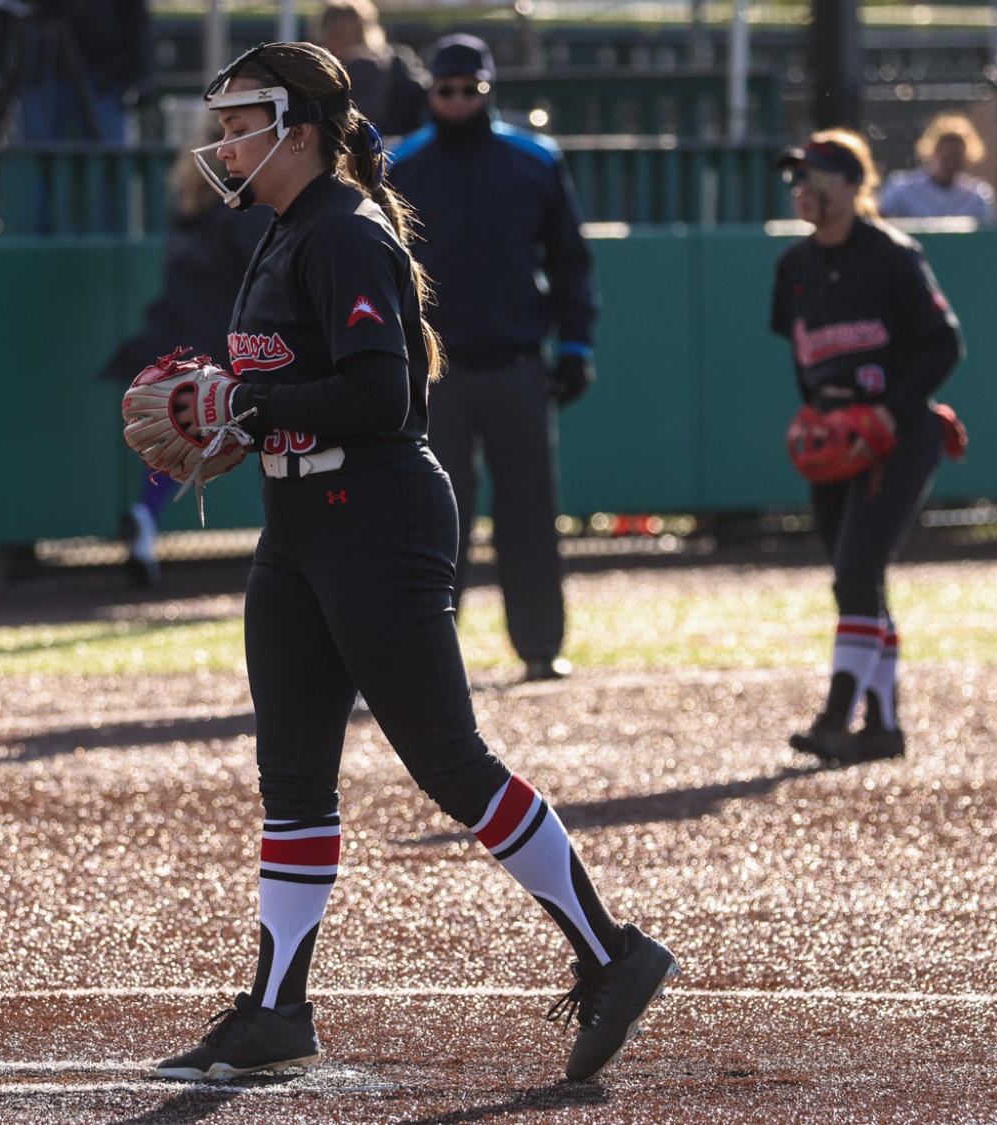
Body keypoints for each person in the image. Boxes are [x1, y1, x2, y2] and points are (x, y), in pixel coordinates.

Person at [148, 41, 676, 1084]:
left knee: (448, 761)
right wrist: (228, 414)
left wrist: (244, 405)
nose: (222, 142)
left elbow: (380, 394)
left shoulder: (343, 229)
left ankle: (612, 954)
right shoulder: (284, 230)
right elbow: (292, 387)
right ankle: (275, 1009)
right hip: (298, 523)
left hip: (372, 514)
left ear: (297, 128)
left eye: (238, 120)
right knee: (290, 778)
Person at [386, 34, 598, 684]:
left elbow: (569, 260)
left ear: (489, 88)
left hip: (515, 365)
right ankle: (428, 652)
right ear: (430, 92)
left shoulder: (534, 160)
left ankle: (539, 645)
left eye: (470, 89)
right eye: (447, 89)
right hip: (435, 373)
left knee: (530, 512)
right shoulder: (401, 165)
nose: (458, 100)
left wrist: (574, 344)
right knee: (432, 517)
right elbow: (385, 272)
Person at [771, 132, 965, 765]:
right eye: (798, 177)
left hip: (900, 435)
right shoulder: (794, 268)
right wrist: (818, 409)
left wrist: (888, 409)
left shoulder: (892, 256)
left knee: (855, 570)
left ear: (854, 186)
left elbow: (945, 344)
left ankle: (835, 717)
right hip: (837, 435)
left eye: (818, 177)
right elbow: (800, 356)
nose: (804, 188)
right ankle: (883, 724)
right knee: (858, 580)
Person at [100, 121, 272, 586]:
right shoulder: (246, 203)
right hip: (227, 345)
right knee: (262, 435)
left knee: (182, 442)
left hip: (179, 338)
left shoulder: (188, 197)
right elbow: (260, 276)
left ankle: (145, 515)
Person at [0, 0, 150, 143]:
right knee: (38, 163)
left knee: (106, 165)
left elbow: (135, 14)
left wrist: (140, 75)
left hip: (103, 76)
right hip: (40, 71)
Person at [317, 0, 429, 137]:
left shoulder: (385, 66)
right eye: (338, 34)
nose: (346, 42)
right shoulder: (316, 73)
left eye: (354, 33)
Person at [877, 113, 997, 224]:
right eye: (945, 155)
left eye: (955, 156)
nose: (950, 161)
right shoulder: (901, 188)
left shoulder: (977, 196)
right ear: (933, 151)